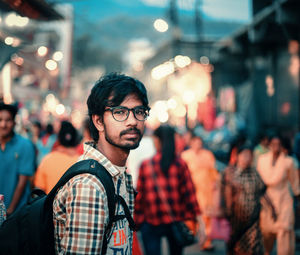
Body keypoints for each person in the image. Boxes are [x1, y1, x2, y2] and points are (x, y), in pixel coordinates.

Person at [52, 73, 150, 254]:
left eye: (139, 111)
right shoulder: (90, 186)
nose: (133, 121)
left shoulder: (119, 174)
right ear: (98, 121)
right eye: (120, 112)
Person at [134, 125, 201, 255]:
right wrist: (197, 219)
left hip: (151, 221)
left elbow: (140, 198)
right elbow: (189, 194)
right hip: (175, 220)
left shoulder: (146, 165)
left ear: (158, 141)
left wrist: (136, 222)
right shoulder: (180, 164)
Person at [221, 145, 272, 255]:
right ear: (237, 156)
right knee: (235, 248)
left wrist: (272, 208)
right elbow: (224, 194)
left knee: (252, 248)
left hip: (253, 220)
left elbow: (262, 191)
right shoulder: (230, 173)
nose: (246, 158)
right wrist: (226, 211)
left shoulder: (255, 173)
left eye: (249, 155)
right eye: (244, 155)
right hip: (235, 219)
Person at [257, 135, 300, 255]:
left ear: (282, 146)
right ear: (269, 145)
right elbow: (259, 181)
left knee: (284, 231)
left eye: (278, 144)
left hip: (284, 199)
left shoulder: (289, 161)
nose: (276, 147)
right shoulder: (262, 160)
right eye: (273, 144)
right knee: (265, 232)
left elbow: (295, 183)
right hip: (266, 200)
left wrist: (298, 199)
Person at [181, 133, 219, 251]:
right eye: (195, 142)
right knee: (192, 216)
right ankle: (193, 235)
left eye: (199, 142)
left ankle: (207, 241)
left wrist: (215, 183)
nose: (197, 145)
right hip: (191, 191)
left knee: (207, 216)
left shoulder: (208, 155)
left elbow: (213, 171)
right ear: (191, 143)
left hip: (206, 190)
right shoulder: (185, 156)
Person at [0, 102, 35, 215]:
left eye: (8, 120)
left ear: (14, 122)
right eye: (0, 120)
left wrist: (9, 210)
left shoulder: (25, 145)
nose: (3, 124)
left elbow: (22, 182)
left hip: (17, 213)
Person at [34, 121, 81, 194]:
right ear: (75, 139)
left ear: (58, 139)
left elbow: (39, 189)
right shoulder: (81, 161)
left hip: (50, 204)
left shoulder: (47, 160)